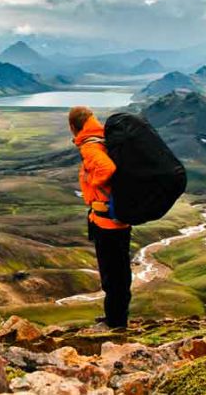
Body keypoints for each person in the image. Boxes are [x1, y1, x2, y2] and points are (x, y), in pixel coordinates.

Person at [69, 105, 132, 329]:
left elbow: (106, 168)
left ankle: (116, 323)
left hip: (108, 223)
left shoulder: (91, 147)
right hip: (116, 218)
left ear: (73, 127)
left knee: (112, 274)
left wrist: (94, 183)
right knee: (119, 272)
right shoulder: (102, 139)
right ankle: (116, 317)